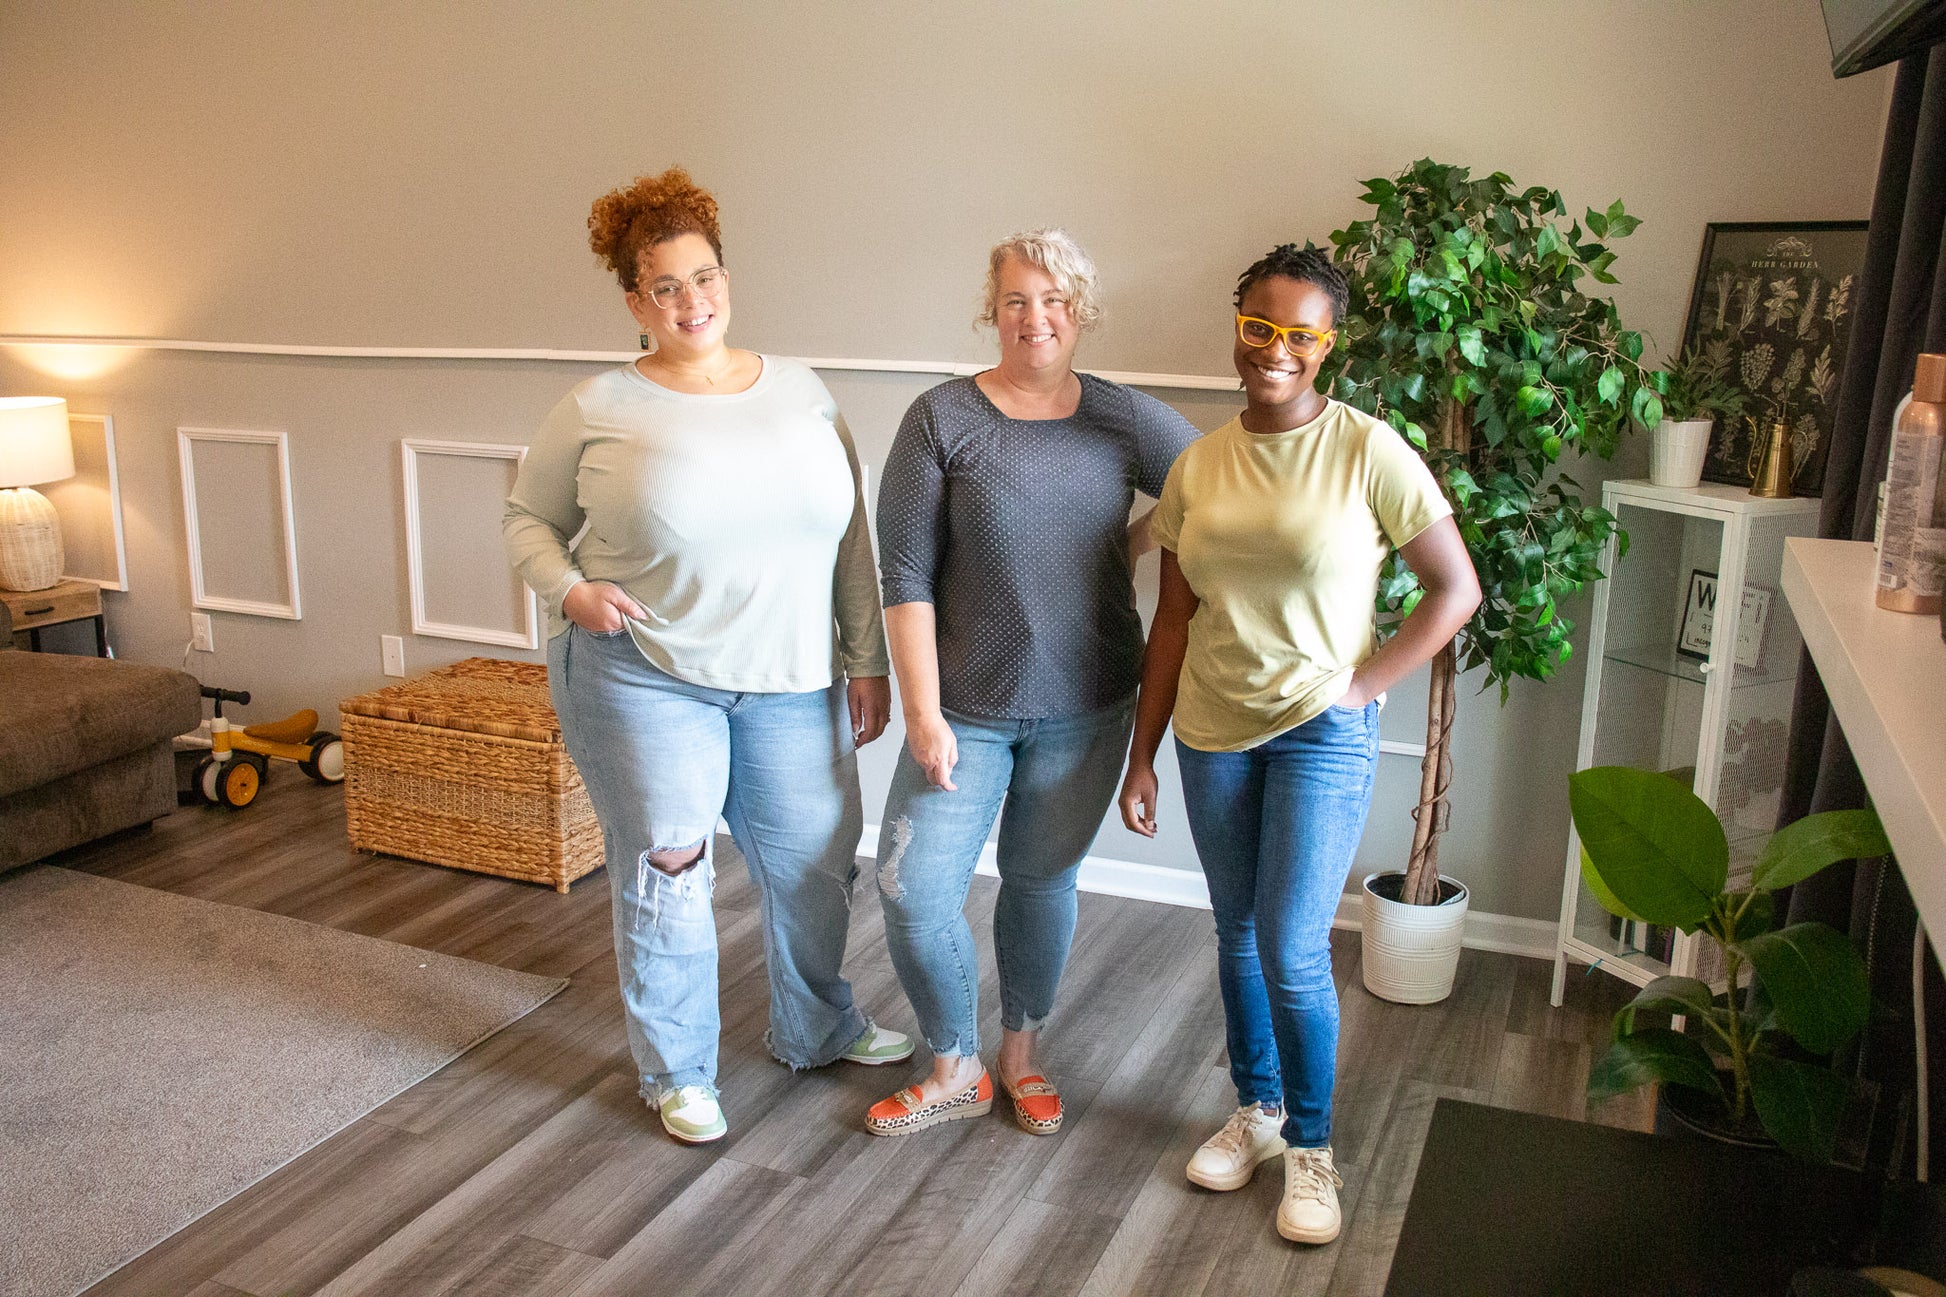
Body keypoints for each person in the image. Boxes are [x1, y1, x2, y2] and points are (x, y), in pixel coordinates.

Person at [503, 167, 911, 1147]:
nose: (692, 301)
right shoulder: (597, 405)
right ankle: (676, 1072)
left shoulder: (803, 392)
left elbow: (848, 537)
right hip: (643, 672)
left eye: (703, 276)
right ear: (635, 300)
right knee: (670, 873)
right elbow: (527, 520)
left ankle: (816, 1026)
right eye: (666, 286)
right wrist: (571, 593)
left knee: (815, 867)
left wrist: (866, 659)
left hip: (790, 677)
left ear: (724, 275)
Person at [1117, 244, 1481, 1243]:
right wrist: (1141, 755)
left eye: (1298, 335)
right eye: (1258, 328)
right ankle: (1259, 1112)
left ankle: (1312, 1149)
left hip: (1319, 734)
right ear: (1237, 330)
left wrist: (1362, 685)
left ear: (1327, 344)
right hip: (1209, 732)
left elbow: (1454, 588)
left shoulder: (1369, 450)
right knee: (1234, 933)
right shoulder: (1196, 465)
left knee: (1288, 948)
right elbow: (1172, 623)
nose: (1274, 350)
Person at [865, 229, 1200, 1137]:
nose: (1035, 318)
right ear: (993, 310)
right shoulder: (941, 418)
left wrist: (1136, 539)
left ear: (1079, 314)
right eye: (1017, 300)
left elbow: (1219, 485)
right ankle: (953, 1062)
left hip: (1087, 703)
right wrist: (925, 715)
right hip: (964, 708)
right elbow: (904, 574)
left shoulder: (1122, 418)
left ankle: (1019, 1055)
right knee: (912, 889)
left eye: (1054, 301)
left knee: (1041, 880)